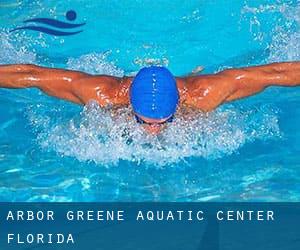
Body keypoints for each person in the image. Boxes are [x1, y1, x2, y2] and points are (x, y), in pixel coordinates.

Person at [0, 62, 299, 134]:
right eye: (142, 121)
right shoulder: (101, 93)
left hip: (191, 84)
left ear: (177, 107)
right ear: (130, 105)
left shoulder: (204, 94)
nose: (153, 131)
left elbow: (273, 74)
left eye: (163, 122)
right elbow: (31, 75)